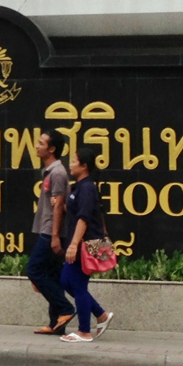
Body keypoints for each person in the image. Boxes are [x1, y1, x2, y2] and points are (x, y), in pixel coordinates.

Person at [58, 144, 116, 342]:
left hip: (84, 245)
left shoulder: (88, 188)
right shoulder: (80, 187)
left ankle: (84, 331)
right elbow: (76, 211)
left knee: (78, 285)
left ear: (84, 166)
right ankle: (101, 314)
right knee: (67, 281)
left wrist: (74, 245)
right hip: (79, 243)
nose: (70, 164)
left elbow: (83, 219)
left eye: (74, 161)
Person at [26, 131, 75, 334]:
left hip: (50, 231)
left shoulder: (57, 173)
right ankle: (57, 323)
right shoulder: (49, 171)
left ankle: (65, 308)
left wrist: (55, 236)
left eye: (41, 143)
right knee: (54, 275)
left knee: (34, 270)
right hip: (47, 228)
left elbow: (58, 206)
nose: (37, 146)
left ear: (52, 148)